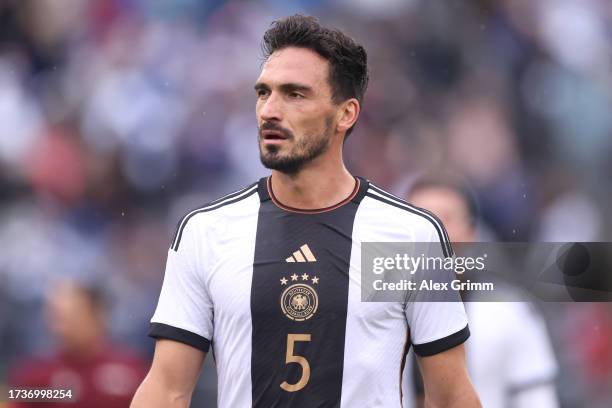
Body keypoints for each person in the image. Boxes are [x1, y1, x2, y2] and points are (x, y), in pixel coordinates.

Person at [131, 15, 480, 408]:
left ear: (346, 114)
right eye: (264, 93)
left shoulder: (407, 235)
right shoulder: (207, 232)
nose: (269, 111)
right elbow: (167, 390)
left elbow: (450, 398)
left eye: (294, 94)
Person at [407, 176, 559, 408]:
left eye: (444, 219)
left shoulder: (508, 312)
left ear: (471, 232)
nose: (431, 233)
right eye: (418, 219)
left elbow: (537, 400)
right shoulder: (373, 312)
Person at [8, 280, 147, 408]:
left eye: (70, 317)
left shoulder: (132, 370)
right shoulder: (35, 374)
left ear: (97, 315)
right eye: (56, 318)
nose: (59, 328)